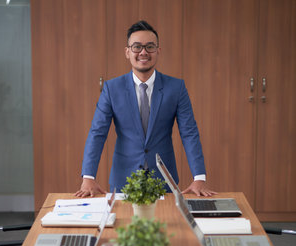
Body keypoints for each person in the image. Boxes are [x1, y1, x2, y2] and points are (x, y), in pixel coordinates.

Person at [75, 20, 216, 198]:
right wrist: (88, 176)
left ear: (158, 51)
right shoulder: (112, 88)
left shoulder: (176, 88)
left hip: (164, 181)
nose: (143, 52)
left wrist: (199, 177)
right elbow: (98, 132)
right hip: (124, 180)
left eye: (150, 46)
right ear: (127, 52)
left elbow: (189, 132)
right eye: (137, 47)